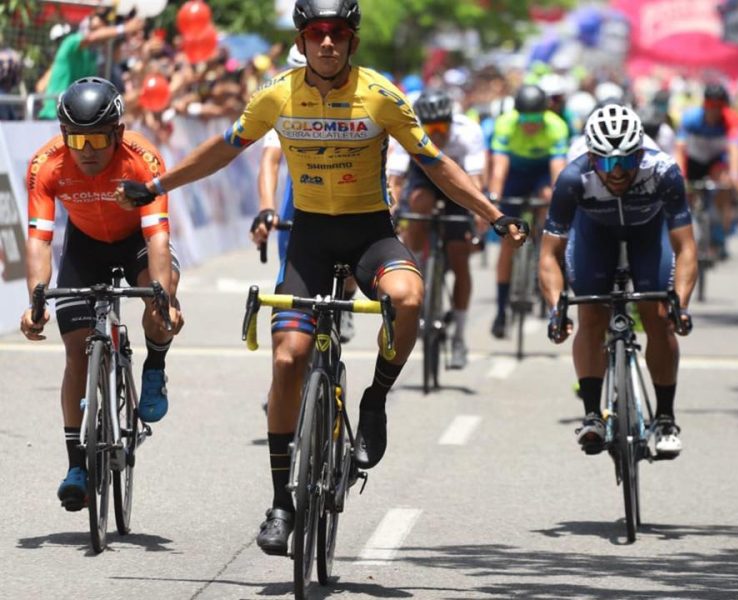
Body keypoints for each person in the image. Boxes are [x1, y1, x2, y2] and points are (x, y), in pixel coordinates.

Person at [116, 0, 524, 556]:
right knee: (287, 359)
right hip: (308, 238)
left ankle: (375, 402)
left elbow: (435, 164)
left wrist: (492, 213)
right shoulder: (278, 94)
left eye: (336, 33)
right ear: (303, 40)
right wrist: (160, 188)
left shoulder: (379, 95)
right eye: (315, 33)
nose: (326, 43)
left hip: (369, 232)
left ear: (351, 41)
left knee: (409, 297)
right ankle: (282, 502)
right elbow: (223, 151)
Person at [21, 77, 182, 511]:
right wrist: (36, 298)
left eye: (96, 138)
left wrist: (162, 296)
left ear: (117, 132)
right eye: (76, 138)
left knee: (159, 302)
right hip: (85, 245)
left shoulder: (142, 160)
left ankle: (155, 365)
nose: (86, 149)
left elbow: (159, 239)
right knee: (75, 352)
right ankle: (76, 465)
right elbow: (38, 239)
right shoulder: (47, 165)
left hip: (137, 244)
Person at [539, 104, 697, 457]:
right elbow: (549, 254)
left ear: (641, 153)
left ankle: (665, 418)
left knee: (657, 316)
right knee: (591, 314)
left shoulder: (664, 171)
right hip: (594, 232)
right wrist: (555, 308)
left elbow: (685, 247)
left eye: (626, 161)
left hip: (648, 232)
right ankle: (593, 414)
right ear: (592, 157)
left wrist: (681, 305)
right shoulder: (572, 178)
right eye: (608, 163)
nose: (618, 172)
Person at [255, 45, 357, 344]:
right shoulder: (285, 107)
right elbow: (269, 161)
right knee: (291, 296)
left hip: (346, 198)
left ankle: (347, 301)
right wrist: (266, 208)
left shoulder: (353, 103)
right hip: (300, 203)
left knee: (350, 257)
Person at [387, 88, 487, 369]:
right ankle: (417, 267)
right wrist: (390, 211)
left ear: (451, 122)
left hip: (457, 180)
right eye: (431, 128)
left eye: (442, 127)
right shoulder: (409, 129)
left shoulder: (469, 132)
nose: (437, 133)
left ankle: (459, 336)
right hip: (424, 176)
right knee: (418, 206)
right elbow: (395, 181)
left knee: (459, 256)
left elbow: (476, 182)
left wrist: (480, 216)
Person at [487, 84, 569, 338]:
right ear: (517, 114)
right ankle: (501, 311)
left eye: (535, 119)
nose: (530, 124)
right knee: (506, 241)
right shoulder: (505, 124)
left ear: (544, 115)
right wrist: (494, 204)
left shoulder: (556, 126)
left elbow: (557, 172)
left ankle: (545, 251)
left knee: (548, 198)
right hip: (515, 174)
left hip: (541, 172)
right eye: (525, 118)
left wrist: (559, 204)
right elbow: (499, 168)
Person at [674, 83, 738, 258]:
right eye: (710, 106)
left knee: (724, 188)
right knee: (685, 196)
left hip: (715, 162)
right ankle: (686, 237)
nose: (714, 111)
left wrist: (735, 175)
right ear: (704, 105)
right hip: (693, 161)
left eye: (718, 106)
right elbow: (680, 149)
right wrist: (679, 175)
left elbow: (734, 148)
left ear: (724, 106)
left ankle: (719, 237)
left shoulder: (731, 119)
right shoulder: (690, 118)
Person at [37, 11, 145, 120]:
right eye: (98, 30)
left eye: (104, 29)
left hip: (75, 118)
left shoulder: (93, 59)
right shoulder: (70, 43)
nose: (104, 34)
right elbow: (91, 38)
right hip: (54, 115)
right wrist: (123, 28)